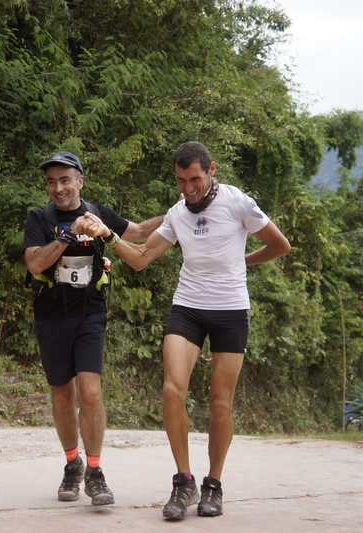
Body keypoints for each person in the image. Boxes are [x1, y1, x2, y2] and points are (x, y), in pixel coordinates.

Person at [72, 141, 291, 520]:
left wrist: (241, 261)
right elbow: (141, 258)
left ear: (211, 171)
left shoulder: (237, 202)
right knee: (173, 390)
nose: (188, 188)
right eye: (180, 180)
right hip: (188, 308)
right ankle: (184, 481)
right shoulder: (177, 214)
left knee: (220, 403)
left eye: (195, 180)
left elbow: (279, 245)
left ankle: (213, 484)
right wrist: (108, 235)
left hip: (230, 310)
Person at [23, 150, 164, 506]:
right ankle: (73, 465)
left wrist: (179, 210)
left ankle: (96, 473)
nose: (58, 188)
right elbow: (35, 264)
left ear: (80, 181)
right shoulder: (39, 217)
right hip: (52, 314)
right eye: (51, 182)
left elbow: (140, 231)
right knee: (62, 394)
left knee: (89, 391)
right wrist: (67, 235)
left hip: (90, 313)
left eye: (65, 180)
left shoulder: (97, 213)